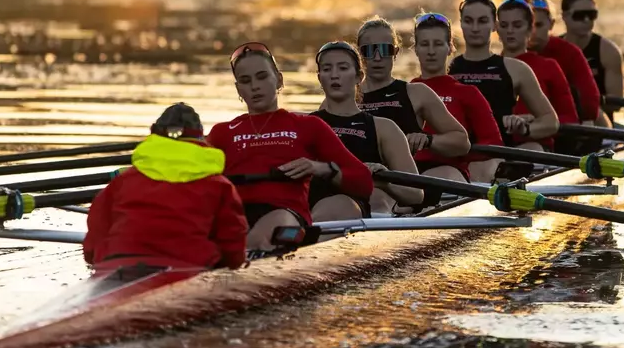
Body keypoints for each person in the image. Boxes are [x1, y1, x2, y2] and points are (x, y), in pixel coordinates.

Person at [206, 42, 374, 251]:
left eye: (262, 77)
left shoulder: (308, 126)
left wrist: (320, 168)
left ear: (279, 80)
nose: (255, 86)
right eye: (245, 81)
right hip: (233, 215)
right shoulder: (221, 132)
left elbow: (364, 182)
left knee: (271, 226)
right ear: (238, 89)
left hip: (284, 217)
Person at [83, 103, 247, 276]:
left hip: (116, 262)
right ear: (200, 138)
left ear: (154, 135)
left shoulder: (122, 181)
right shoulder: (219, 185)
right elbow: (233, 251)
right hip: (188, 265)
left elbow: (93, 245)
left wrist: (100, 260)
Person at [449, 0, 560, 180]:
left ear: (494, 26)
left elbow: (550, 121)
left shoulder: (516, 69)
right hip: (458, 158)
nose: (475, 28)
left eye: (482, 21)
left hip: (499, 157)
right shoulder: (448, 69)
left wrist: (524, 129)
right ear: (461, 25)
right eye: (469, 21)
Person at [310, 40, 423, 218]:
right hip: (307, 207)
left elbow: (416, 195)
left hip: (353, 208)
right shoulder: (303, 124)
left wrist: (385, 181)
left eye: (343, 68)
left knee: (337, 205)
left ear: (359, 77)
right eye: (326, 69)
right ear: (319, 77)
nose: (334, 75)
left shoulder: (384, 128)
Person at [356, 16, 471, 159]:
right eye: (369, 50)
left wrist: (429, 140)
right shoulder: (342, 98)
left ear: (395, 53)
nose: (377, 57)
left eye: (385, 49)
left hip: (402, 178)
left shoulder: (417, 93)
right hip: (360, 176)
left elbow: (462, 142)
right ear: (359, 55)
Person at [409, 12, 504, 184]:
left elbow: (493, 144)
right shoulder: (404, 92)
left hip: (449, 172)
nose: (431, 51)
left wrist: (453, 148)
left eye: (438, 44)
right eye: (425, 44)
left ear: (450, 48)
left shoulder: (468, 93)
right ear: (416, 49)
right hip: (409, 172)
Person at [496, 0, 580, 151]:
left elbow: (570, 119)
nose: (510, 31)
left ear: (529, 29)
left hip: (535, 145)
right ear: (497, 30)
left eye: (517, 25)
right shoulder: (486, 67)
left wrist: (535, 122)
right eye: (504, 25)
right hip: (497, 145)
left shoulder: (549, 66)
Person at [526, 0, 604, 126]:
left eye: (538, 25)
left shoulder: (571, 53)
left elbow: (590, 107)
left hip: (565, 126)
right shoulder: (510, 54)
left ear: (551, 24)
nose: (533, 32)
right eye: (528, 26)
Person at [560, 0, 624, 127]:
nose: (586, 20)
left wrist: (587, 100)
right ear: (564, 16)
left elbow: (616, 104)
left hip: (598, 124)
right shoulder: (551, 48)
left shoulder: (608, 52)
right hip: (560, 119)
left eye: (592, 15)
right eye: (580, 15)